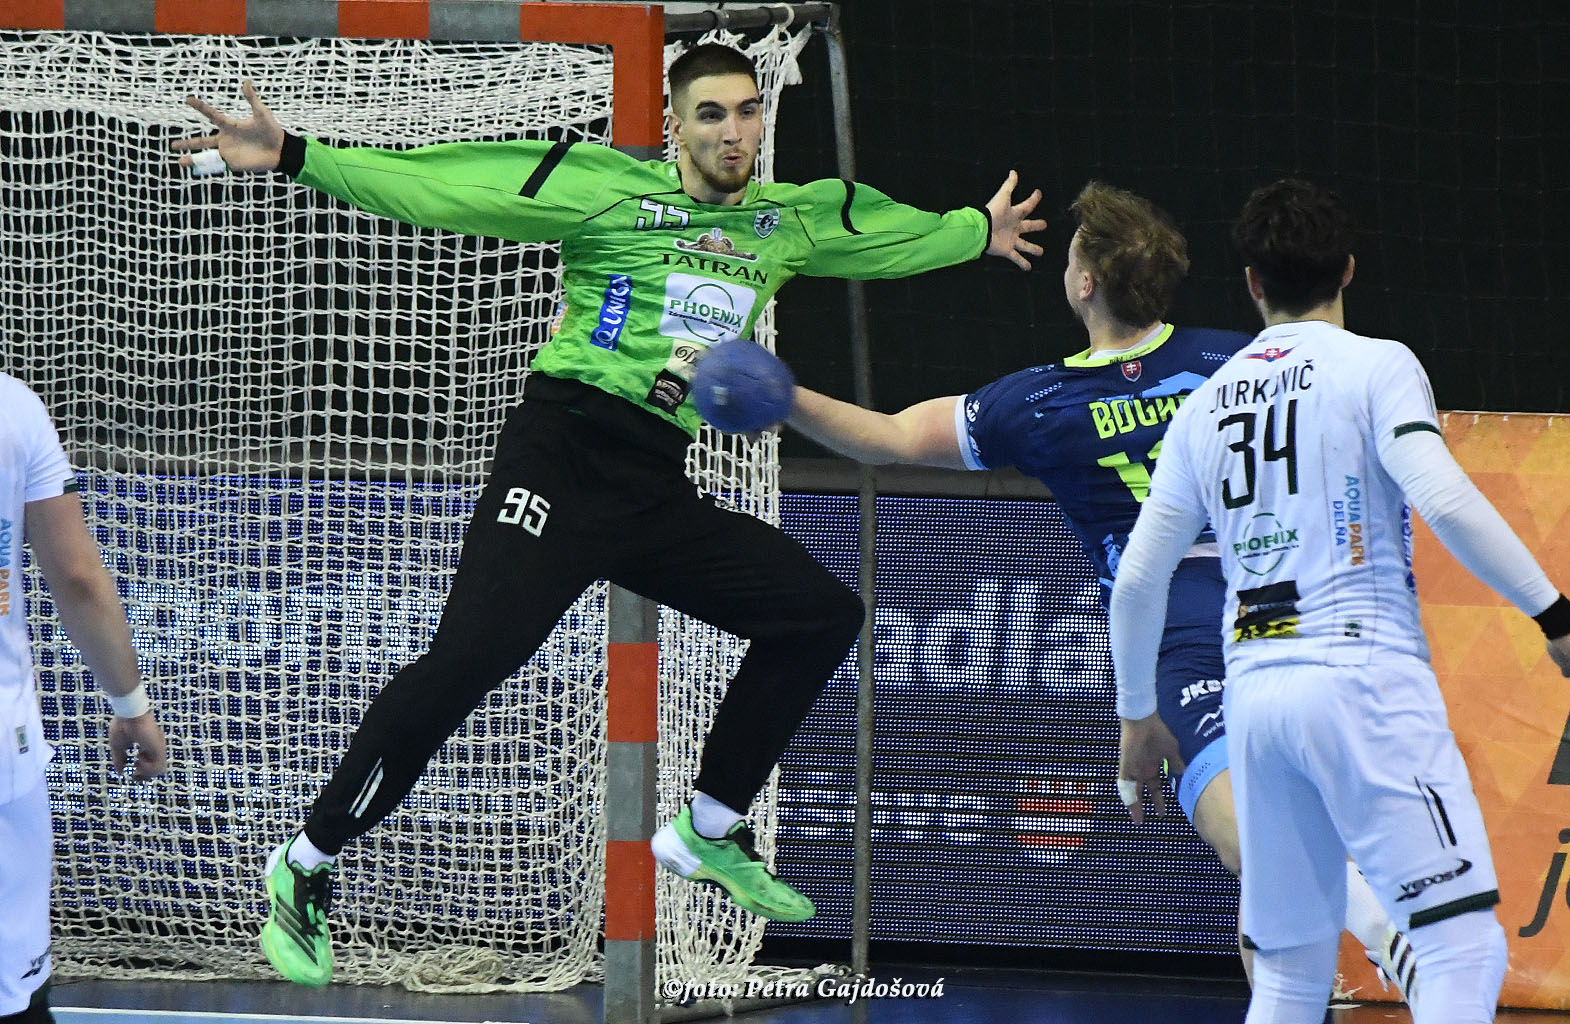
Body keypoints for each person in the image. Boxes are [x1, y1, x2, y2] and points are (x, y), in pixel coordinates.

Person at [171, 44, 1046, 986]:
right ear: (675, 126)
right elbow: (451, 188)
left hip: (651, 484)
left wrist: (974, 232)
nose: (734, 132)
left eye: (747, 111)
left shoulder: (786, 221)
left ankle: (709, 827)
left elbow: (882, 235)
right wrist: (298, 155)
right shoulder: (603, 188)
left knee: (821, 614)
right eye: (711, 114)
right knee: (469, 662)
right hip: (561, 456)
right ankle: (306, 862)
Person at [786, 180, 1413, 997]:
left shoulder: (1038, 403)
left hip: (1177, 623)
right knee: (1274, 857)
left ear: (1084, 284)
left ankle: (1374, 920)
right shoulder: (1238, 360)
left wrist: (781, 395)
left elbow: (890, 437)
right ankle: (1348, 940)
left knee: (1241, 829)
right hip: (1294, 596)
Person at [1109, 178, 1570, 1023]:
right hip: (1362, 676)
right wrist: (1555, 617)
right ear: (1347, 269)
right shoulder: (1378, 365)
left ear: (1252, 283)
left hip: (1257, 697)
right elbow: (1442, 498)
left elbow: (1137, 579)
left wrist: (1136, 717)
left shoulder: (1204, 405)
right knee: (1461, 950)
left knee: (1291, 975)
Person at [0, 373, 169, 1024]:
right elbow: (76, 578)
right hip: (4, 757)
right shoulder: (13, 409)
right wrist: (131, 706)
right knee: (14, 1001)